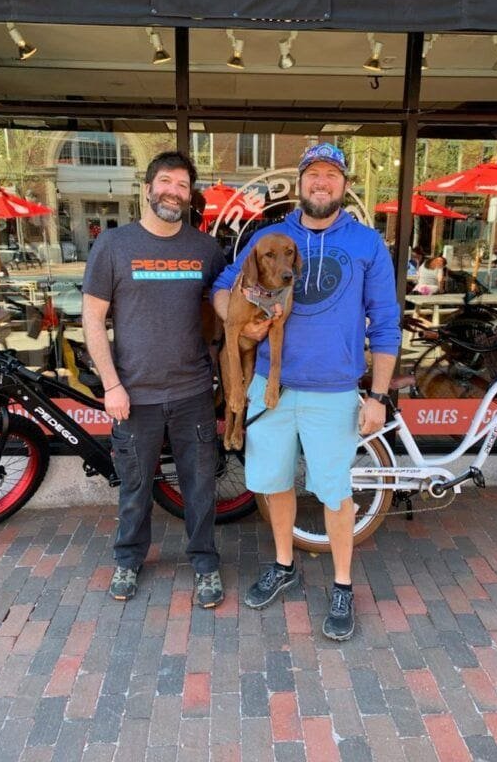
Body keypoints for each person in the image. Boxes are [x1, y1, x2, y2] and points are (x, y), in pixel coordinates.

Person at [212, 143, 401, 641]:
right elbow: (223, 286)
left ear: (344, 185)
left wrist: (377, 397)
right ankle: (283, 564)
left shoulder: (367, 244)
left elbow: (385, 324)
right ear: (300, 183)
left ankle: (341, 584)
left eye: (332, 175)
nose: (322, 182)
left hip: (334, 390)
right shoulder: (271, 236)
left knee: (336, 493)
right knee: (274, 484)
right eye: (313, 174)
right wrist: (239, 322)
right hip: (270, 385)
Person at [82, 151, 226, 607]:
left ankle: (205, 564)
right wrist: (111, 384)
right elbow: (92, 319)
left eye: (183, 185)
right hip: (134, 395)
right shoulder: (113, 245)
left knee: (200, 485)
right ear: (147, 188)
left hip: (193, 393)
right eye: (165, 181)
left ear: (189, 196)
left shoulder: (205, 250)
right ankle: (128, 559)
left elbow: (225, 312)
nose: (173, 191)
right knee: (135, 485)